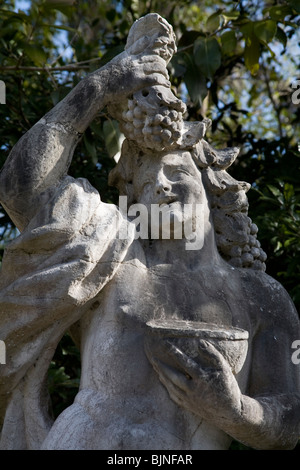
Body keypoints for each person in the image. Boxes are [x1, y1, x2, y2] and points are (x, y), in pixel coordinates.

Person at [0, 13, 299, 450]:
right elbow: (22, 189)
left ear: (210, 187)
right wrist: (100, 87)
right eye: (144, 183)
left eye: (176, 172)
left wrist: (236, 410)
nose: (159, 185)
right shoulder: (110, 252)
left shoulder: (260, 297)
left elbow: (291, 418)